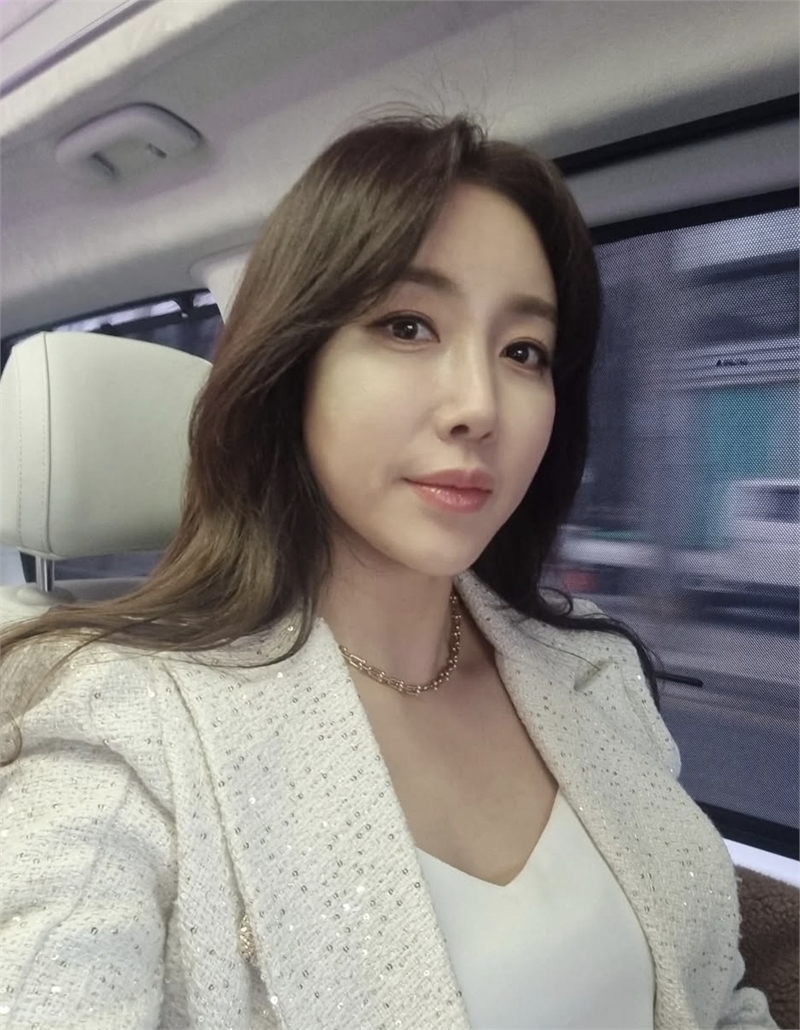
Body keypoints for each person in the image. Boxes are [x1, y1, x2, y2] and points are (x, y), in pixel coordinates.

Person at [0, 110, 777, 1030]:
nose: (479, 405)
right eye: (408, 326)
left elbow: (719, 1002)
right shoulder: (120, 722)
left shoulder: (595, 675)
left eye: (523, 351)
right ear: (293, 367)